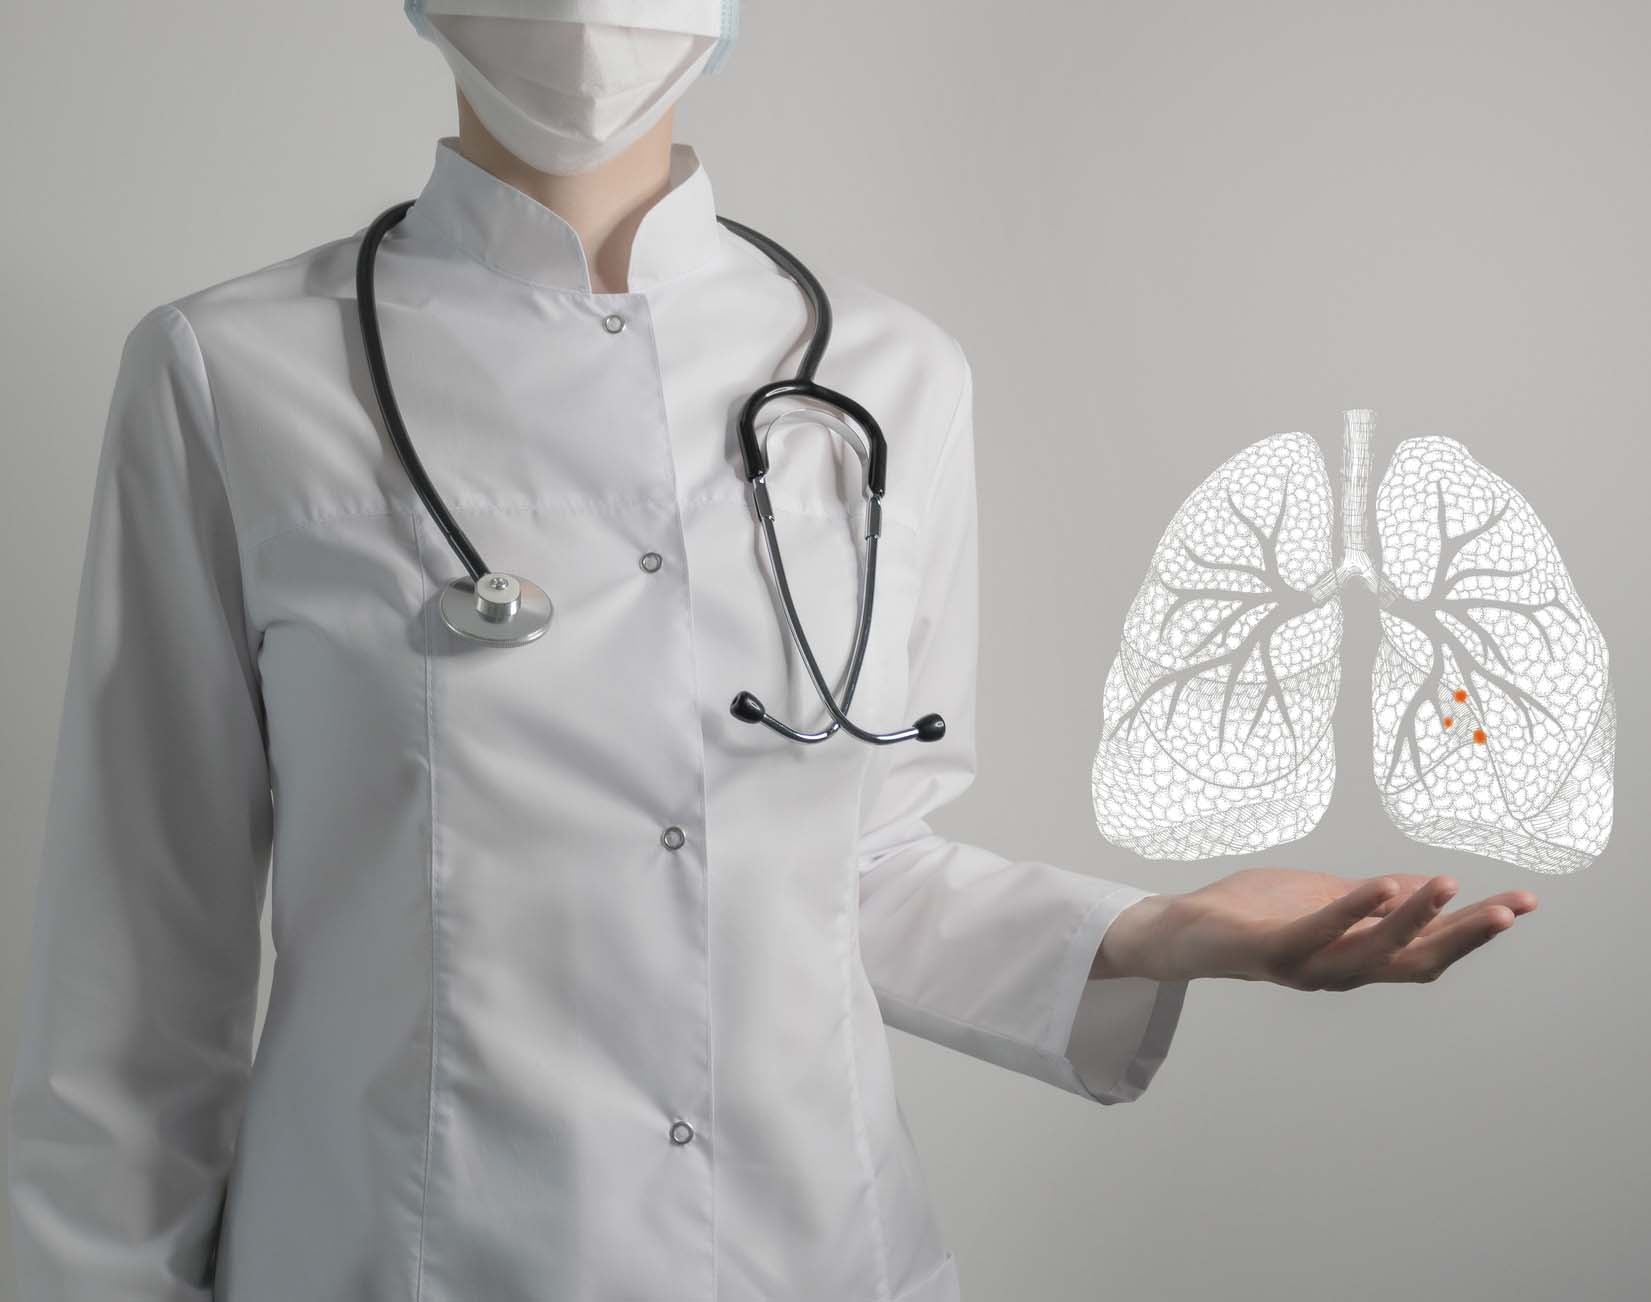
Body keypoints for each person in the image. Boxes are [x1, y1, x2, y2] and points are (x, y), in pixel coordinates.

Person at [5, 3, 1538, 1299]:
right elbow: (141, 963)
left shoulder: (887, 378)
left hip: (811, 1247)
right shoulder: (230, 376)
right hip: (398, 1253)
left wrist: (1154, 933)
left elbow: (850, 867)